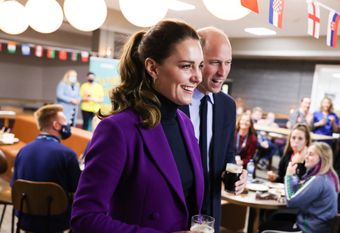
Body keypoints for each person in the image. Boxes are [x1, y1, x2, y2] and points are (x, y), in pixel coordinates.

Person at [71, 19, 205, 233]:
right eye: (186, 66)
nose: (197, 77)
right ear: (152, 67)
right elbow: (84, 219)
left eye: (200, 66)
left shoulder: (186, 124)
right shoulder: (117, 129)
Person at [179, 26, 247, 232]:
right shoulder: (174, 100)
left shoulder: (227, 106)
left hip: (210, 211)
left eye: (227, 63)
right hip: (176, 208)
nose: (223, 72)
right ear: (196, 61)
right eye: (215, 62)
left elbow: (227, 156)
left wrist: (238, 176)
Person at [11, 104, 81, 233]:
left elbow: (15, 185)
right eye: (65, 122)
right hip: (56, 221)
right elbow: (77, 189)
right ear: (56, 125)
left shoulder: (22, 151)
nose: (68, 126)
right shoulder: (68, 154)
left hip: (26, 219)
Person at [260, 142, 340, 232]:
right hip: (319, 226)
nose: (306, 157)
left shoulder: (318, 180)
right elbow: (299, 190)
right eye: (307, 153)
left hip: (309, 228)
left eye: (311, 154)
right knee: (275, 217)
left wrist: (289, 176)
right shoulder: (329, 176)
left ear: (322, 159)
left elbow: (291, 201)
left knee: (264, 227)